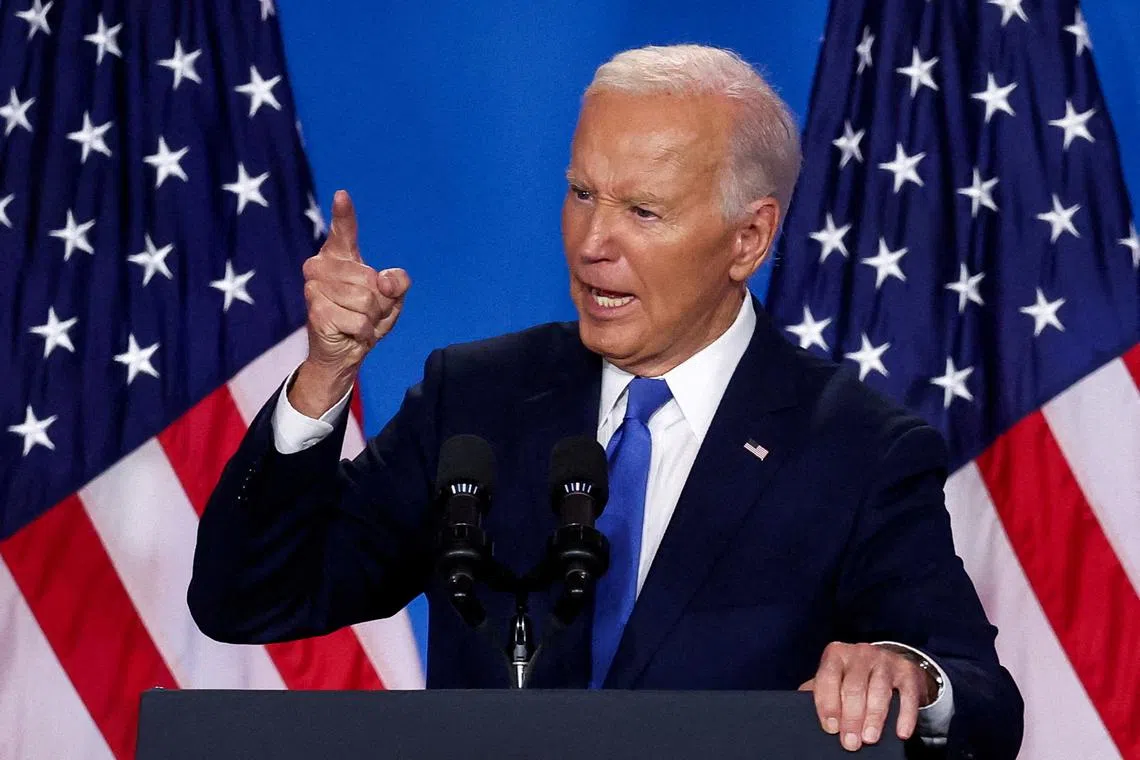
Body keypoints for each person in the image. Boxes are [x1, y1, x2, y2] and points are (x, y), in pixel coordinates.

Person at [189, 45, 1023, 757]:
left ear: (749, 238)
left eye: (642, 211)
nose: (592, 244)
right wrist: (326, 374)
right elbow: (249, 596)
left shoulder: (855, 449)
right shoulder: (477, 400)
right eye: (582, 193)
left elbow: (983, 700)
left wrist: (909, 674)